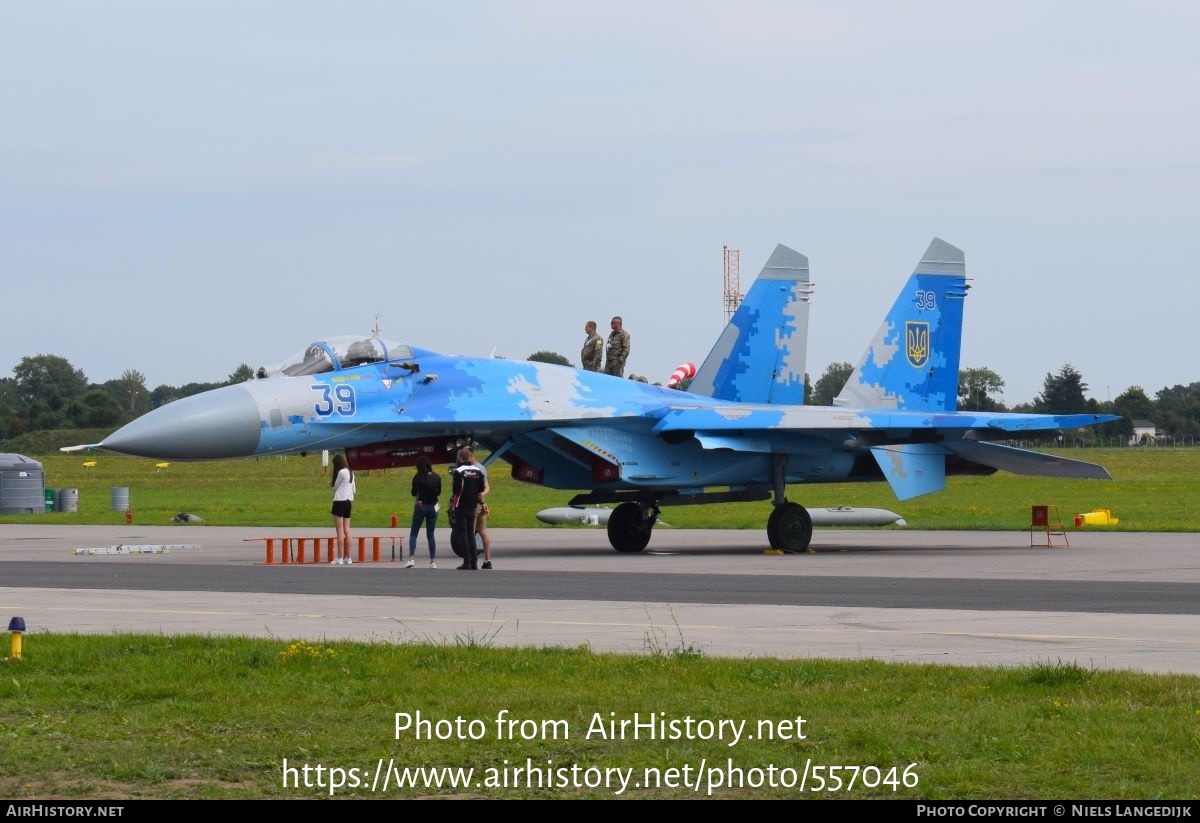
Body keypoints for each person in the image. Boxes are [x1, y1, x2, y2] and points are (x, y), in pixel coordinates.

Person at [450, 447, 489, 570]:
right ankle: (474, 561)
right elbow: (481, 490)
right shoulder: (478, 472)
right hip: (473, 506)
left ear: (460, 458)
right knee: (471, 534)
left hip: (461, 505)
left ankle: (467, 561)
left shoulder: (458, 471)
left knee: (463, 533)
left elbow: (456, 490)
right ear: (470, 457)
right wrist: (482, 504)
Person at [406, 456, 441, 568]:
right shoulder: (437, 477)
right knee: (430, 535)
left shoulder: (418, 477)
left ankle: (411, 558)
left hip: (421, 506)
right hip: (433, 506)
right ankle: (433, 561)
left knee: (414, 533)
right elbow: (439, 492)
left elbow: (413, 492)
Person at [330, 453, 355, 565]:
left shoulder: (341, 472)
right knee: (347, 530)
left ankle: (339, 557)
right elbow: (354, 489)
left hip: (339, 501)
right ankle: (348, 557)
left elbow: (335, 486)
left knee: (339, 531)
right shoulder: (351, 472)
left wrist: (331, 483)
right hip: (348, 501)